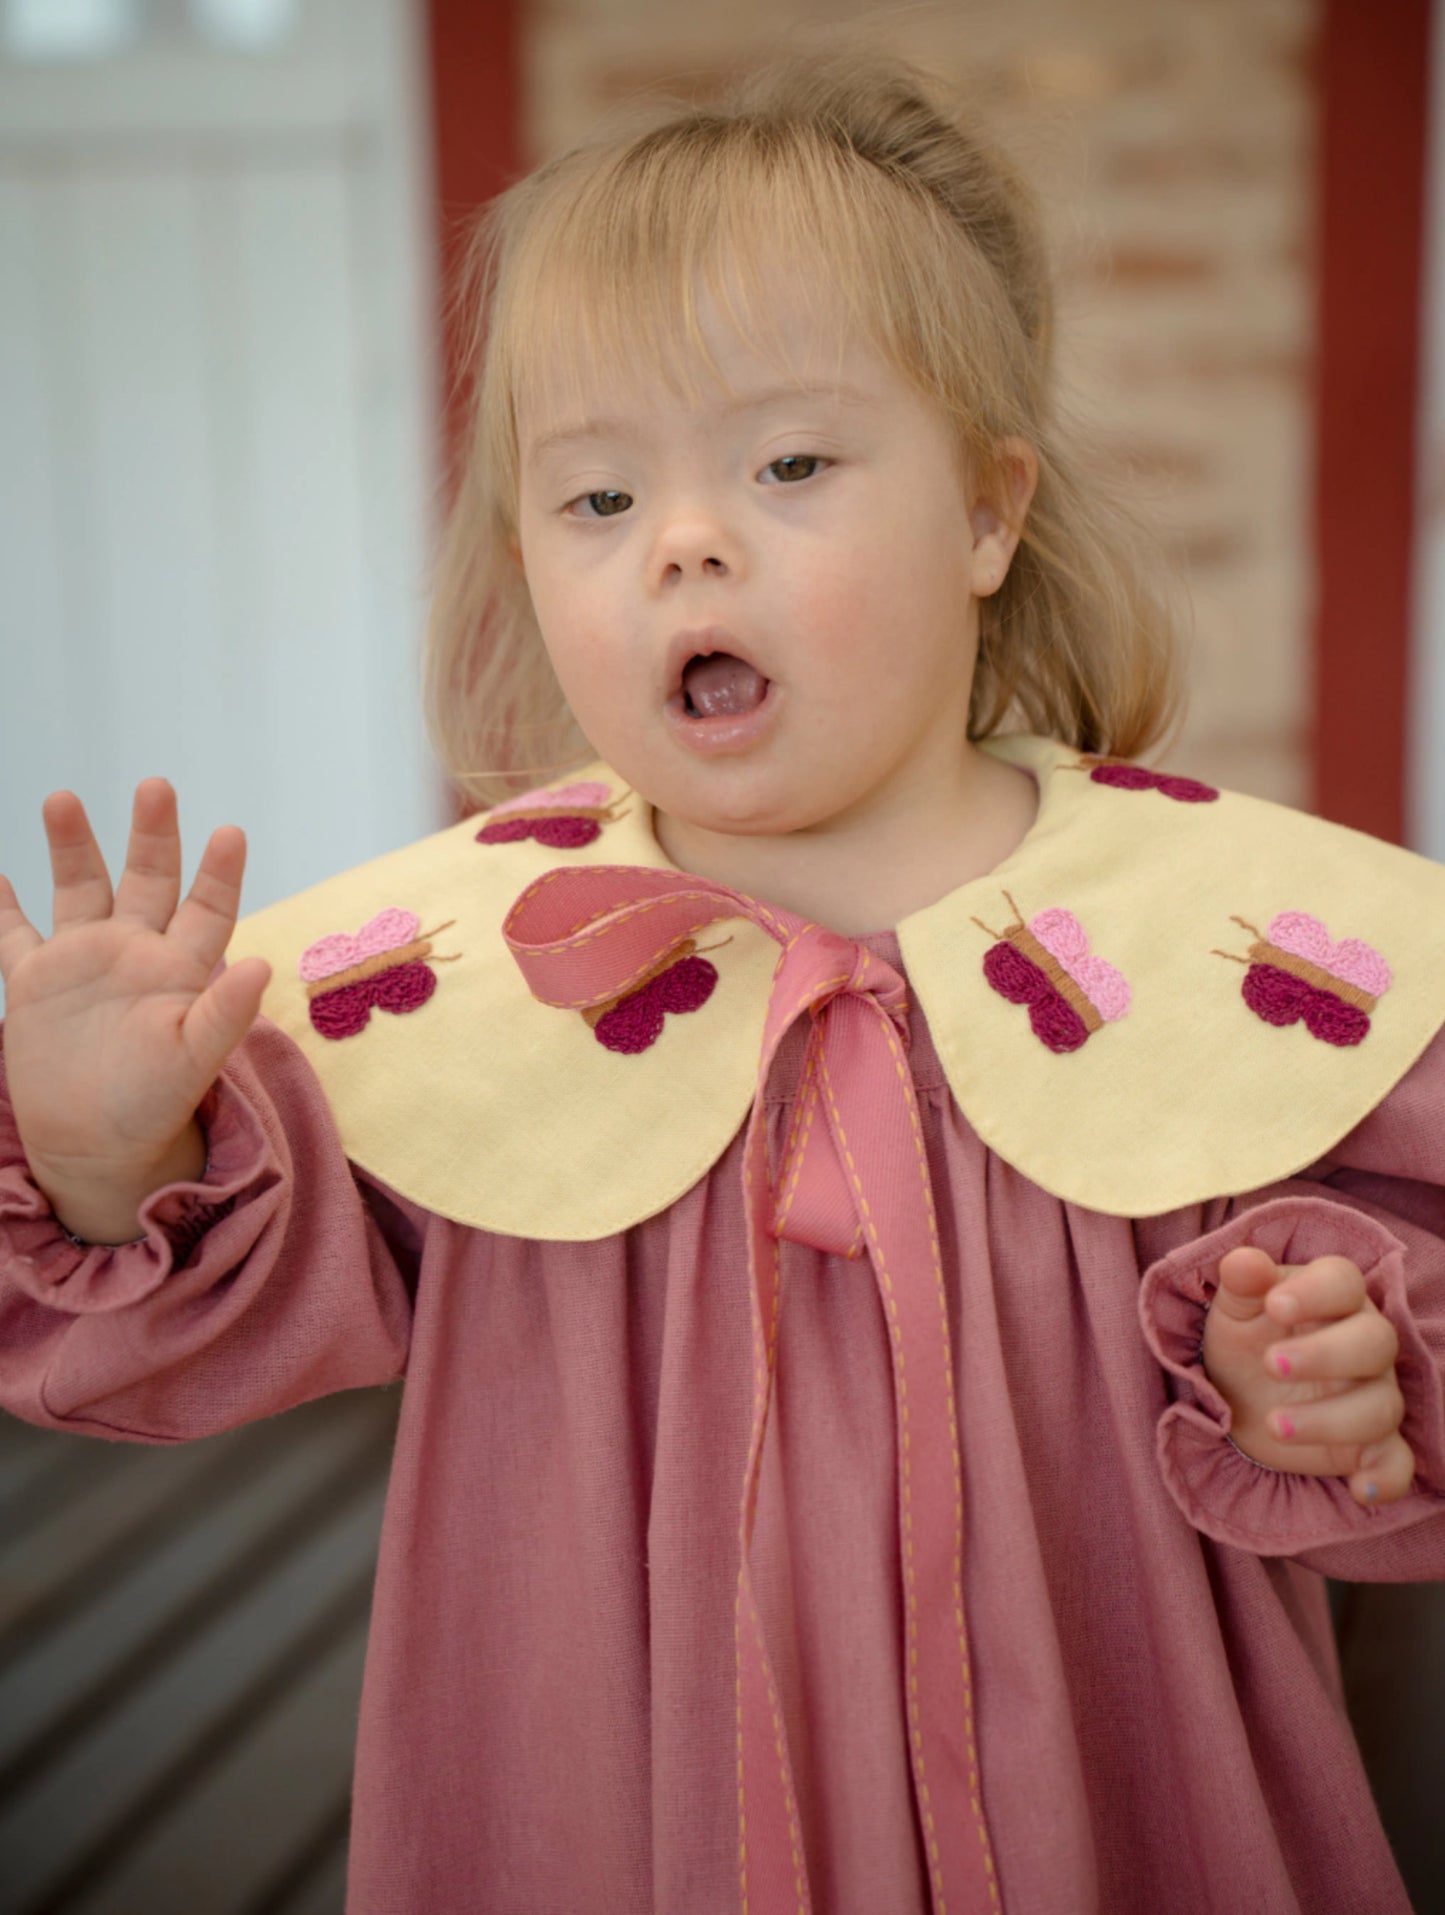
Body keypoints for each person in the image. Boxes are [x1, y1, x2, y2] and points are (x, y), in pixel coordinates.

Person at [1, 49, 1442, 1915]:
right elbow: (215, 1302)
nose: (684, 536)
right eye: (595, 497)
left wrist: (1328, 1357)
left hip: (1104, 1755)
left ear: (988, 513)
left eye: (788, 463)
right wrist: (113, 1149)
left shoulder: (1204, 927)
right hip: (620, 1773)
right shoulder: (448, 976)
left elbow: (1375, 1219)